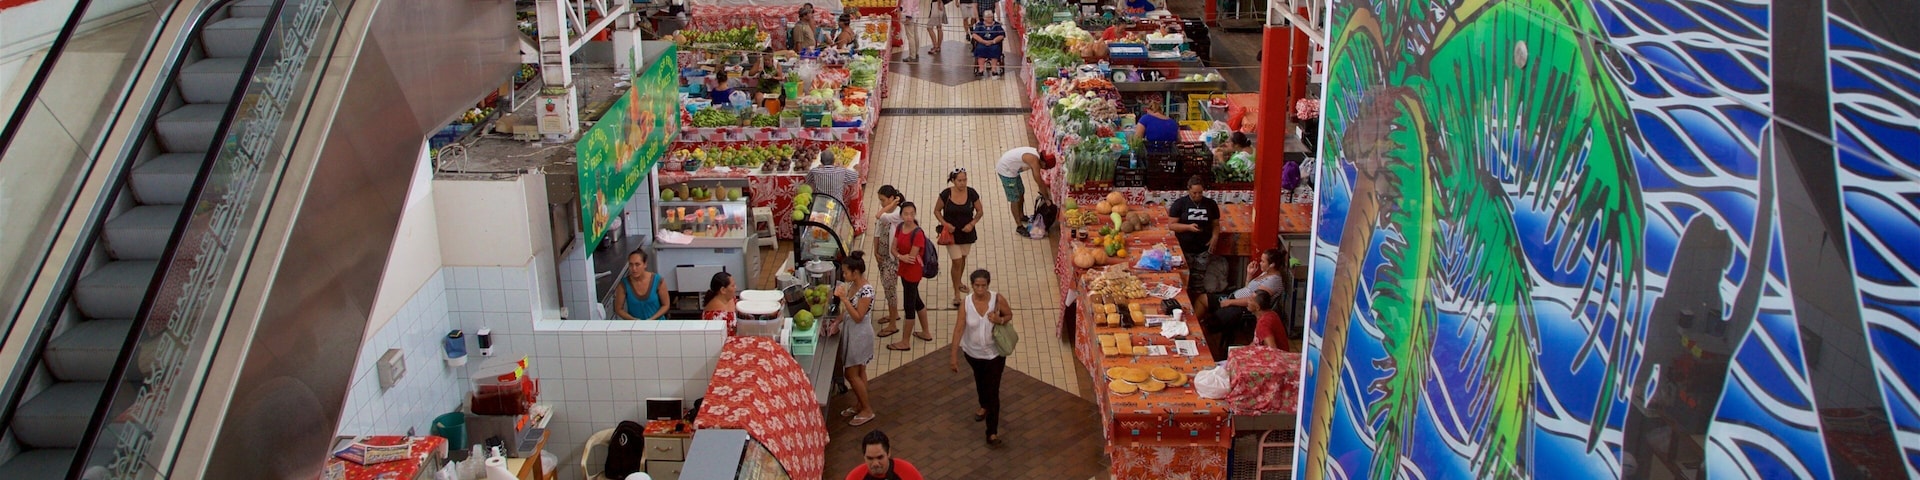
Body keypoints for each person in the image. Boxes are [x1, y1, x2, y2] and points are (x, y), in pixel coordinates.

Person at [949, 269, 1011, 446]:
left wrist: (998, 320)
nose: (980, 289)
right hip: (972, 353)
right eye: (977, 285)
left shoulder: (997, 299)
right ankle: (983, 404)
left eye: (984, 286)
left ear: (988, 285)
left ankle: (991, 431)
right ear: (972, 285)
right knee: (980, 380)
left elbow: (1009, 315)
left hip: (994, 355)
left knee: (993, 392)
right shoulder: (966, 303)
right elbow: (959, 328)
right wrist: (953, 355)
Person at [1201, 248, 1289, 361]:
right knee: (1204, 300)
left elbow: (1273, 350)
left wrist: (1230, 302)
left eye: (1263, 261)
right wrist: (1249, 274)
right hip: (1234, 299)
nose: (1260, 262)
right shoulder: (1266, 273)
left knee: (1210, 323)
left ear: (1272, 264)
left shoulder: (1273, 282)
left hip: (1239, 308)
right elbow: (1249, 290)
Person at [835, 252, 879, 425]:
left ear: (855, 272)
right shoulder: (854, 285)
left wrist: (844, 299)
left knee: (851, 374)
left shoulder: (866, 291)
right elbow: (848, 311)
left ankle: (867, 409)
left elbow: (858, 316)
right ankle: (860, 404)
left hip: (860, 335)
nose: (844, 275)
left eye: (846, 272)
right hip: (853, 332)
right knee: (860, 371)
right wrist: (837, 321)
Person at [1170, 175, 1222, 312]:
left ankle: (1197, 309)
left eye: (1200, 192)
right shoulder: (1180, 204)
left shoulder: (1210, 204)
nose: (1198, 195)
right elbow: (1172, 225)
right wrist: (1188, 227)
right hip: (1185, 248)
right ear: (1188, 190)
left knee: (1198, 281)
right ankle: (1183, 308)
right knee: (1184, 280)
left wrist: (1215, 237)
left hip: (1203, 249)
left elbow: (1216, 224)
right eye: (1194, 193)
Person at [888, 202, 934, 350]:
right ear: (901, 215)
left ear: (915, 214)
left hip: (913, 273)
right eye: (906, 214)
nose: (909, 217)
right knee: (917, 301)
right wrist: (901, 256)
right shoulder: (900, 228)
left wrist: (899, 256)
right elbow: (893, 248)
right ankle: (926, 332)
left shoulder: (918, 233)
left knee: (909, 306)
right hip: (904, 269)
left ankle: (905, 342)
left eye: (911, 214)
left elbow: (911, 257)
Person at [935, 168, 983, 306]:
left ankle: (959, 281)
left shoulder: (972, 193)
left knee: (962, 259)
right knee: (956, 261)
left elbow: (980, 211)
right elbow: (937, 210)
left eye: (964, 180)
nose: (962, 183)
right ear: (953, 181)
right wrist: (945, 224)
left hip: (966, 233)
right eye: (959, 180)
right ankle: (956, 293)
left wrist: (972, 223)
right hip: (951, 234)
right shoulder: (946, 194)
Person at [870, 186, 906, 337]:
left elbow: (879, 216)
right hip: (882, 257)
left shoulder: (897, 214)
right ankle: (894, 314)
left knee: (890, 289)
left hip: (893, 259)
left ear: (892, 199)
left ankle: (893, 325)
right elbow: (877, 233)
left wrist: (891, 205)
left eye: (883, 200)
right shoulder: (886, 212)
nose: (881, 203)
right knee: (886, 287)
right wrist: (876, 251)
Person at [993, 146, 1052, 231]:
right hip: (1006, 171)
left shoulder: (1036, 154)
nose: (1044, 169)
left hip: (1013, 170)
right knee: (1014, 198)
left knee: (1021, 192)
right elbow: (1039, 183)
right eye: (1046, 167)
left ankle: (1021, 215)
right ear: (1044, 163)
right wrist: (1047, 199)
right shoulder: (1034, 160)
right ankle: (1019, 226)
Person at [609, 249, 668, 320]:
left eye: (637, 264)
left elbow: (665, 305)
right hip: (636, 327)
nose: (634, 268)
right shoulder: (623, 284)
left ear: (645, 264)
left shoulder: (658, 281)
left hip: (657, 325)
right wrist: (634, 320)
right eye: (631, 264)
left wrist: (652, 319)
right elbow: (618, 309)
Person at [846, 430, 925, 480]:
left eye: (880, 457)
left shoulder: (907, 471)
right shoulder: (854, 477)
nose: (875, 463)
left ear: (888, 453)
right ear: (864, 457)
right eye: (870, 458)